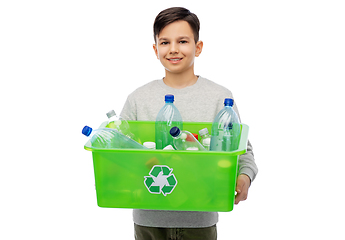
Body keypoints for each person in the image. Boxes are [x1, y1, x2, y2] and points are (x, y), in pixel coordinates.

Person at [120, 7, 258, 240]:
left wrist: (244, 177)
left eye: (182, 41)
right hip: (149, 221)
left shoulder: (219, 98)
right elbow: (121, 149)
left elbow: (243, 151)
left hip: (200, 220)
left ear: (198, 47)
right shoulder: (138, 98)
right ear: (155, 49)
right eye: (165, 42)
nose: (173, 49)